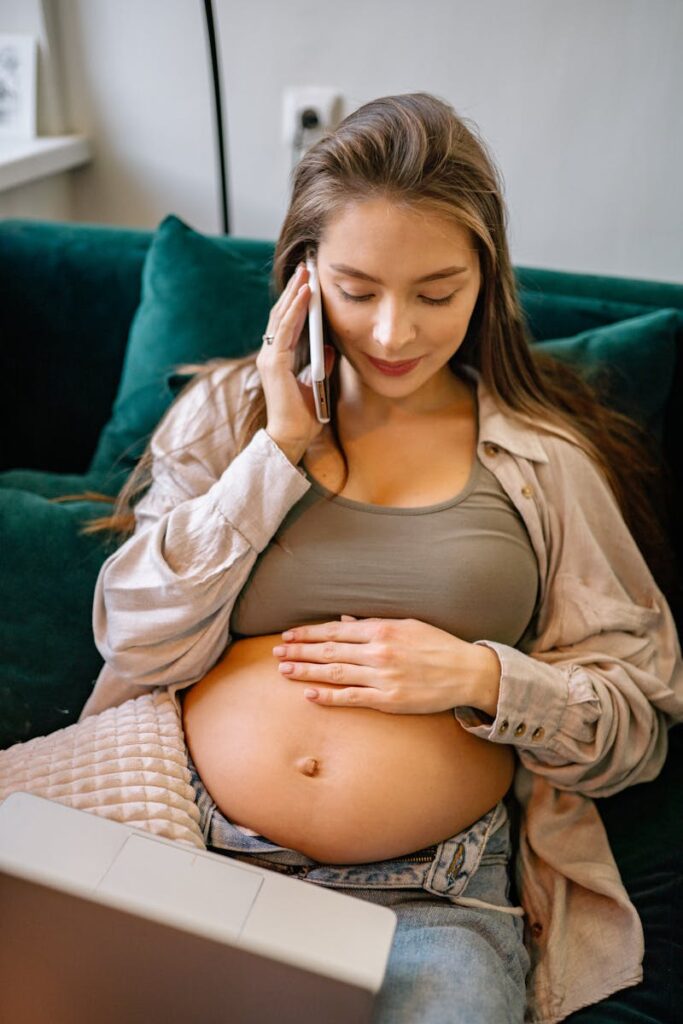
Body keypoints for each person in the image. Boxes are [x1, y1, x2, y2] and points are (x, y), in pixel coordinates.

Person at [14, 92, 683, 1023]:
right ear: (301, 276)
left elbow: (636, 728)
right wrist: (274, 455)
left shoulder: (545, 461)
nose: (390, 333)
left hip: (431, 902)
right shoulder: (228, 418)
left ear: (486, 280)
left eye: (436, 293)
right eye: (357, 289)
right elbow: (134, 633)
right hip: (188, 859)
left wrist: (478, 675)